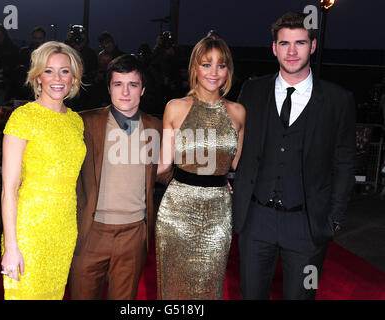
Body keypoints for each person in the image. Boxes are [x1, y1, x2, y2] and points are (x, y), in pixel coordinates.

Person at [232, 12, 356, 300]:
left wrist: (332, 219)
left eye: (300, 42)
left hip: (307, 227)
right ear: (273, 47)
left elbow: (345, 163)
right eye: (284, 43)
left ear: (312, 46)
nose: (291, 51)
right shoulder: (252, 90)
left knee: (303, 296)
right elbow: (234, 142)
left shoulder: (338, 100)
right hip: (256, 222)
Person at [69, 54, 170, 300]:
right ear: (109, 88)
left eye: (133, 84)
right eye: (118, 84)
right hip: (90, 231)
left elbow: (167, 173)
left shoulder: (156, 126)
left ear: (143, 89)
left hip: (134, 236)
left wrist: (213, 183)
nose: (125, 92)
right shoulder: (83, 122)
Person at [156, 34, 245, 299]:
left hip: (218, 213)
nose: (214, 72)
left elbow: (239, 165)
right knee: (174, 289)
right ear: (195, 67)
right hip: (177, 212)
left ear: (228, 69)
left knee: (210, 287)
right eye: (206, 64)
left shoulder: (238, 112)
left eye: (221, 65)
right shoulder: (175, 108)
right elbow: (163, 165)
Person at [0, 41, 86, 300]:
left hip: (64, 228)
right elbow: (9, 189)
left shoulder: (76, 121)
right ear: (37, 76)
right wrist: (12, 247)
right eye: (49, 71)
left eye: (65, 71)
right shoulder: (23, 117)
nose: (57, 78)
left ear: (74, 78)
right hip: (29, 229)